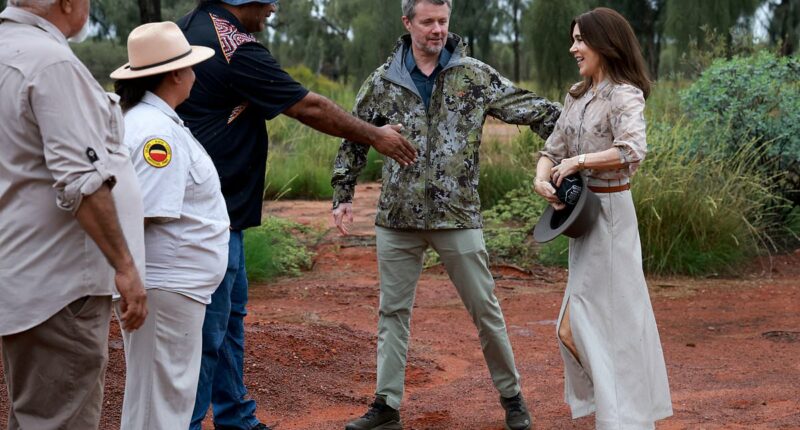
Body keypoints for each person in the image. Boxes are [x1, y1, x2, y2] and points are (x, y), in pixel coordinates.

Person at [176, 1, 418, 429]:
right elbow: (309, 107)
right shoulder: (236, 48)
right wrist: (375, 135)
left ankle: (236, 418)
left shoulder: (186, 28)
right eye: (264, 3)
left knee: (228, 322)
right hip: (209, 217)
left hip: (212, 212)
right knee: (207, 334)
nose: (270, 10)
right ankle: (187, 423)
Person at [331, 1, 561, 429]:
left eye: (443, 21)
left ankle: (512, 399)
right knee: (392, 313)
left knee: (485, 310)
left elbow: (534, 110)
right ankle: (386, 406)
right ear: (407, 23)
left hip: (457, 217)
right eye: (428, 22)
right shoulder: (384, 81)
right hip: (397, 219)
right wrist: (343, 192)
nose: (437, 30)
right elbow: (353, 135)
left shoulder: (473, 75)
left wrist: (580, 141)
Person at [0, 0, 148, 428]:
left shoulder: (10, 51)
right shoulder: (50, 64)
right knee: (59, 417)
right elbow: (82, 181)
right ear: (67, 2)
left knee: (34, 414)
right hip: (59, 287)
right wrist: (125, 266)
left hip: (21, 273)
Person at [533, 7, 673, 429]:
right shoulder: (576, 95)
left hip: (611, 217)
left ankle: (622, 420)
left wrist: (578, 162)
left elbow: (633, 150)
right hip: (581, 219)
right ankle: (619, 411)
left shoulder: (624, 94)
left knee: (607, 326)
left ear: (605, 44)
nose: (574, 47)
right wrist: (543, 176)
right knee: (574, 328)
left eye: (581, 39)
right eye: (573, 38)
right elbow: (551, 148)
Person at [110, 21, 229, 429]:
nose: (196, 75)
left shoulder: (154, 121)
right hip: (164, 286)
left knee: (162, 400)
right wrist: (134, 282)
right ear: (175, 74)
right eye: (191, 66)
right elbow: (142, 212)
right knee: (159, 406)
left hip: (170, 287)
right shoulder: (155, 132)